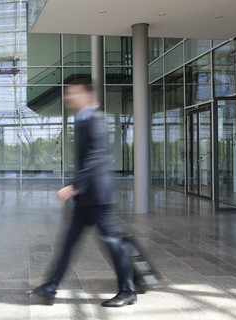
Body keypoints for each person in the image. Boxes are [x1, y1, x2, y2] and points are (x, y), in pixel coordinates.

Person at [32, 78, 137, 307]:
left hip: (99, 198)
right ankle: (51, 286)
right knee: (68, 244)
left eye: (73, 93)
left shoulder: (97, 119)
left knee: (113, 243)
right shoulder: (82, 119)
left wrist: (75, 185)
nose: (69, 97)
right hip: (85, 199)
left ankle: (128, 291)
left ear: (87, 95)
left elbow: (96, 156)